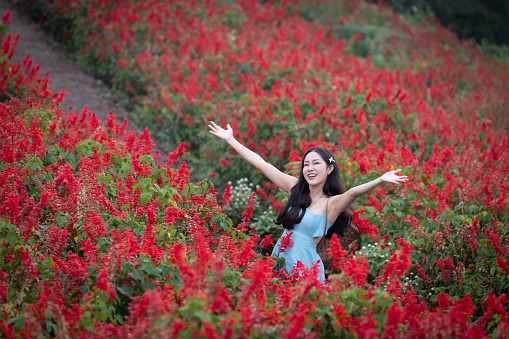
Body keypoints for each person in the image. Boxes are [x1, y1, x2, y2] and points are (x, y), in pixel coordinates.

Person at [208, 121, 408, 282]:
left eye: (316, 163)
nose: (309, 168)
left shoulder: (332, 204)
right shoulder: (294, 188)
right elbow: (262, 164)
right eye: (306, 164)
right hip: (281, 257)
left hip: (305, 267)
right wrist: (231, 140)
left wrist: (380, 179)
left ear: (329, 169)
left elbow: (353, 193)